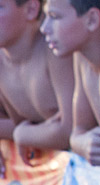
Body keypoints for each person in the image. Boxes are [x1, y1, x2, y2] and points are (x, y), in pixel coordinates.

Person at [0, 0, 74, 178]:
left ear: (31, 9)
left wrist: (20, 134)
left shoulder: (55, 51)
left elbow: (69, 131)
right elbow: (19, 120)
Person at [40, 0, 100, 165]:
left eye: (54, 17)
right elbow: (77, 133)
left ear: (92, 19)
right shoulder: (82, 58)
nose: (44, 28)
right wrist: (85, 144)